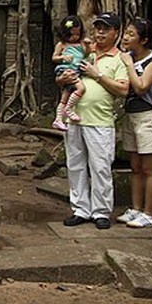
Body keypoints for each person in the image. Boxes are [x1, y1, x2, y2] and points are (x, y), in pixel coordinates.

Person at [57, 12, 130, 230]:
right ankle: (80, 209)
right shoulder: (82, 50)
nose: (100, 32)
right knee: (75, 165)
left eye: (105, 29)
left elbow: (124, 89)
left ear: (116, 33)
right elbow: (60, 76)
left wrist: (97, 75)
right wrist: (61, 79)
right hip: (74, 119)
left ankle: (101, 211)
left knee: (100, 167)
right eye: (97, 28)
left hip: (100, 121)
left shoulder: (119, 59)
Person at [116, 17, 152, 228]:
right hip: (131, 116)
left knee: (150, 168)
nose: (126, 37)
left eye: (131, 34)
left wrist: (128, 65)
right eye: (125, 33)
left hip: (150, 117)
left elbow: (141, 87)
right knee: (135, 167)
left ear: (144, 39)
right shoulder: (129, 56)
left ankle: (150, 213)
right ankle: (136, 209)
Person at [51, 15, 91, 131]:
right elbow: (54, 58)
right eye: (71, 35)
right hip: (67, 70)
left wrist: (87, 45)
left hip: (76, 70)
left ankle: (58, 119)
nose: (74, 37)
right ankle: (69, 109)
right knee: (81, 88)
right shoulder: (62, 45)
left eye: (77, 34)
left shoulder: (80, 44)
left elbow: (87, 54)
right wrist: (63, 57)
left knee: (65, 95)